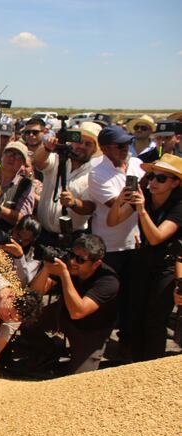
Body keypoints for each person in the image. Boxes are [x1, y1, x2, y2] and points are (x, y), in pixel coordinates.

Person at [107, 154, 182, 361]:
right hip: (142, 261)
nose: (153, 182)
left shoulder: (179, 206)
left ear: (175, 183)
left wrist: (141, 211)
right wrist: (119, 202)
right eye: (151, 177)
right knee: (135, 316)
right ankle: (137, 364)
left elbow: (157, 237)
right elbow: (112, 221)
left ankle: (153, 366)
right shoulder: (145, 198)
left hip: (166, 266)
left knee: (155, 320)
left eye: (161, 178)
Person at [26, 235, 119, 374]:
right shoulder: (69, 264)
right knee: (25, 314)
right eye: (71, 255)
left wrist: (64, 274)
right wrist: (46, 269)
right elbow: (34, 294)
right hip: (62, 315)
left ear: (96, 264)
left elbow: (78, 312)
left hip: (90, 332)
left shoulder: (109, 281)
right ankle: (49, 349)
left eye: (81, 260)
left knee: (79, 379)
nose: (73, 261)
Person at [88, 125, 145, 347]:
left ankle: (126, 345)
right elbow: (117, 210)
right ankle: (96, 345)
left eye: (127, 144)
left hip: (136, 244)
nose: (125, 149)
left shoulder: (139, 165)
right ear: (104, 149)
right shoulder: (97, 174)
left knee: (132, 299)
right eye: (120, 145)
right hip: (110, 246)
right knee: (107, 299)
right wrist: (144, 198)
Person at [33, 122, 101, 245]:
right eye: (79, 141)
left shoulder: (94, 174)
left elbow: (91, 207)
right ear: (72, 142)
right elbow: (38, 161)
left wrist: (74, 203)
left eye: (88, 144)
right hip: (42, 234)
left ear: (94, 149)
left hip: (71, 238)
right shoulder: (57, 159)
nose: (82, 146)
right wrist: (47, 148)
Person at [0, 214, 43, 287]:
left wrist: (20, 257)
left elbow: (22, 282)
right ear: (15, 228)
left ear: (32, 240)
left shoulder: (33, 257)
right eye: (18, 235)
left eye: (26, 240)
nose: (19, 241)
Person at [0, 140, 35, 231]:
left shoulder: (25, 185)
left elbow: (23, 220)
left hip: (2, 239)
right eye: (9, 153)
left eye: (18, 156)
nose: (12, 158)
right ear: (1, 156)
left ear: (23, 163)